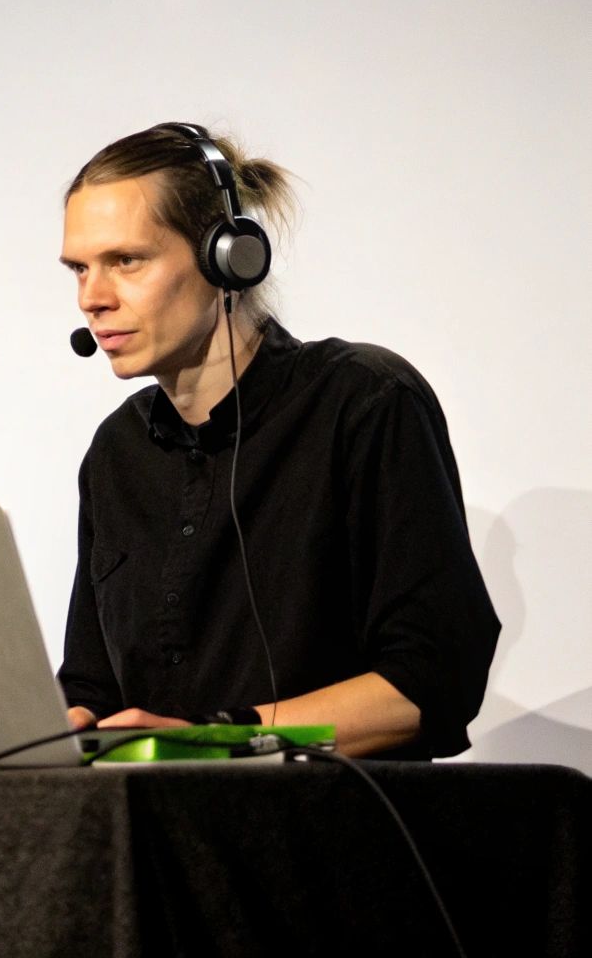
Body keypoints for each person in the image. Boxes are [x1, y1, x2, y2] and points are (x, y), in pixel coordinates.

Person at [55, 122, 499, 758]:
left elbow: (431, 682)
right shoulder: (116, 453)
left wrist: (226, 739)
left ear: (228, 257)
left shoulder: (366, 402)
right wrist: (60, 725)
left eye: (126, 261)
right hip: (158, 837)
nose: (92, 299)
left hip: (326, 835)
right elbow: (93, 687)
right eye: (79, 269)